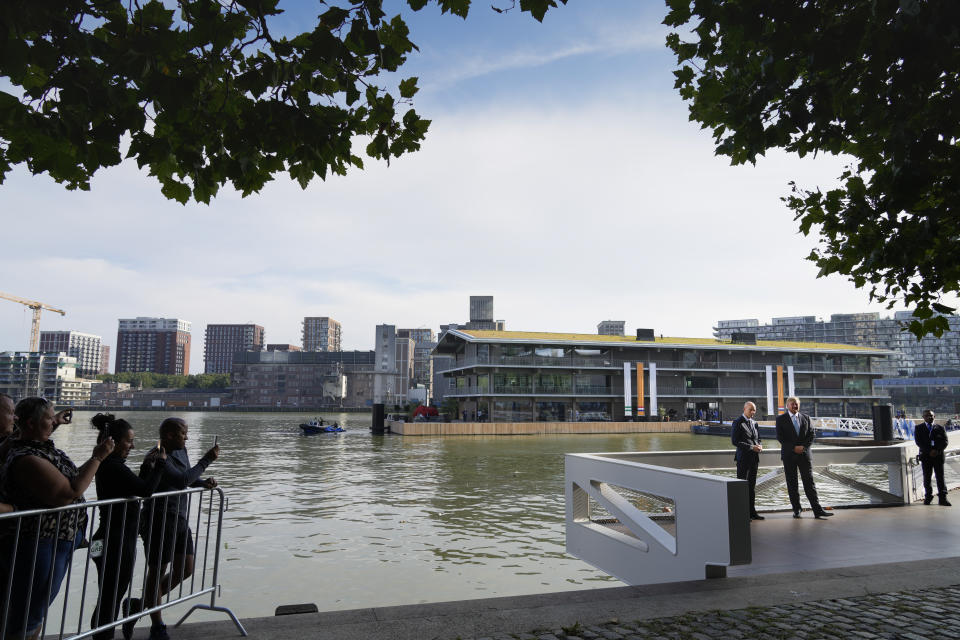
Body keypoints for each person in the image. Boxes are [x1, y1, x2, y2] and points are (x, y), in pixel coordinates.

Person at [0, 397, 114, 640]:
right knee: (29, 614)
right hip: (41, 541)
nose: (53, 422)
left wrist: (55, 422)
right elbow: (68, 493)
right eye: (48, 418)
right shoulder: (27, 457)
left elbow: (69, 479)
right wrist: (97, 458)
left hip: (57, 541)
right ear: (31, 423)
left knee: (36, 612)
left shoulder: (36, 445)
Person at [135, 418, 219, 640]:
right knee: (157, 572)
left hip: (179, 517)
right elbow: (181, 480)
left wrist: (202, 483)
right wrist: (207, 460)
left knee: (186, 569)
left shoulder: (181, 451)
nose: (187, 437)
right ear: (170, 435)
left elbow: (188, 479)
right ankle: (157, 626)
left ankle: (140, 606)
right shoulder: (157, 456)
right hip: (159, 518)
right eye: (183, 434)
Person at [89, 414, 168, 640]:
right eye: (129, 441)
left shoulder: (112, 465)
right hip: (116, 540)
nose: (132, 446)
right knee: (111, 596)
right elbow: (145, 491)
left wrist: (146, 467)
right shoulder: (113, 466)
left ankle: (102, 635)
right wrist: (161, 464)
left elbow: (136, 486)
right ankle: (103, 637)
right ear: (113, 441)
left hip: (106, 538)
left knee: (108, 594)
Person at [775, 396, 833, 519]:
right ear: (787, 406)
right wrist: (793, 448)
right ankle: (797, 509)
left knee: (809, 483)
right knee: (792, 484)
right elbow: (780, 437)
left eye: (796, 404)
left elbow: (812, 434)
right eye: (792, 404)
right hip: (789, 456)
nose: (795, 406)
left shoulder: (806, 418)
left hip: (804, 455)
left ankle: (817, 510)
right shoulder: (780, 419)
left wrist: (803, 447)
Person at [731, 401, 764, 520]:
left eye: (754, 410)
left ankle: (752, 512)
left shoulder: (755, 423)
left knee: (751, 487)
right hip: (743, 459)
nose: (753, 412)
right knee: (741, 487)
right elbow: (735, 441)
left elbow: (758, 438)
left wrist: (760, 445)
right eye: (751, 409)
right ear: (744, 409)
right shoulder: (737, 422)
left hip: (754, 459)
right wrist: (751, 447)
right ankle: (742, 513)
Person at [915, 409, 951, 506]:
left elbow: (945, 441)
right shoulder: (918, 428)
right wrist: (929, 451)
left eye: (931, 415)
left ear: (934, 417)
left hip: (938, 456)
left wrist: (937, 450)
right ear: (923, 417)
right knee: (927, 477)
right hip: (926, 456)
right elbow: (919, 442)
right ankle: (928, 497)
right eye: (927, 416)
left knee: (940, 477)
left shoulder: (940, 428)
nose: (929, 417)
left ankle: (943, 498)